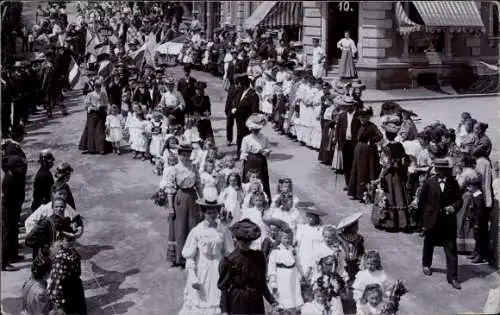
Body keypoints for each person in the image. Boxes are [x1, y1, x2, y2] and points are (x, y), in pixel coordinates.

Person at [179, 187, 234, 315]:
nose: (212, 215)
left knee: (218, 299)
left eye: (215, 212)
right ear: (204, 212)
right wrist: (193, 277)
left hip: (219, 269)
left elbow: (229, 252)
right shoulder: (197, 231)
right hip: (202, 269)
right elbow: (189, 256)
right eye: (209, 212)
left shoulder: (223, 230)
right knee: (202, 299)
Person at [217, 219, 279, 314]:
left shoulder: (258, 257)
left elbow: (261, 283)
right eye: (243, 241)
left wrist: (272, 300)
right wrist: (224, 310)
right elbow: (224, 288)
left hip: (255, 300)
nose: (246, 244)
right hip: (238, 300)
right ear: (237, 240)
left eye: (248, 241)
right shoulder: (230, 260)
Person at [418, 158, 462, 290]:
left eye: (446, 169)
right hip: (432, 220)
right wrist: (422, 221)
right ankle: (426, 264)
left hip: (448, 221)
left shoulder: (453, 183)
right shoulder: (429, 183)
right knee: (429, 243)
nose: (445, 172)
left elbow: (459, 199)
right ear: (436, 170)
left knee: (451, 248)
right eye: (441, 169)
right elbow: (422, 203)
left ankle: (453, 277)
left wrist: (453, 207)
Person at [161, 144, 201, 268]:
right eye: (183, 155)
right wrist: (171, 207)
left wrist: (202, 199)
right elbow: (170, 189)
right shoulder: (174, 169)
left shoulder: (193, 167)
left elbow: (199, 184)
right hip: (180, 197)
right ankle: (180, 257)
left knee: (193, 225)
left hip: (193, 197)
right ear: (179, 155)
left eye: (188, 154)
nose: (186, 157)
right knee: (180, 227)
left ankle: (192, 255)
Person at [47, 224, 87, 315]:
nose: (72, 242)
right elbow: (56, 282)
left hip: (75, 289)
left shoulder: (71, 251)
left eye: (73, 239)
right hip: (68, 294)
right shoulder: (60, 259)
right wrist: (58, 304)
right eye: (68, 240)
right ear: (61, 240)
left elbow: (77, 271)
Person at [348, 106, 383, 201]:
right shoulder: (359, 125)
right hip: (358, 150)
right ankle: (355, 192)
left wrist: (371, 141)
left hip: (367, 152)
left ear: (368, 117)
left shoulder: (371, 126)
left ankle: (364, 194)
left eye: (364, 117)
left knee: (364, 171)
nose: (362, 119)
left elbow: (380, 135)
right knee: (356, 169)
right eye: (361, 117)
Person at [267, 227, 304, 313]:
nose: (288, 240)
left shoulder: (293, 250)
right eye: (285, 238)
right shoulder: (276, 251)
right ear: (280, 238)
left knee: (294, 300)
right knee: (283, 302)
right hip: (281, 277)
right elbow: (272, 267)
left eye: (290, 238)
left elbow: (298, 263)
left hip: (293, 277)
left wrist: (302, 275)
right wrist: (273, 282)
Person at [2, 155, 27, 271]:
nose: (21, 168)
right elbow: (7, 200)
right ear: (12, 168)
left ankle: (13, 255)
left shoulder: (15, 176)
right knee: (7, 235)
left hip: (15, 208)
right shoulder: (9, 180)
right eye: (18, 167)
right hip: (9, 210)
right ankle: (4, 262)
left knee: (14, 232)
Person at [240, 113, 272, 199]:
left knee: (262, 180)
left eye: (257, 129)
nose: (256, 131)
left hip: (261, 161)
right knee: (250, 181)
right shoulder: (246, 139)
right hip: (250, 162)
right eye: (254, 129)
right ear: (251, 129)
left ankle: (263, 199)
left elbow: (268, 148)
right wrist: (244, 159)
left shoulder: (264, 138)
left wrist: (266, 152)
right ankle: (249, 199)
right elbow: (243, 152)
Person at [230, 74, 260, 158]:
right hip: (239, 120)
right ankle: (239, 153)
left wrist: (252, 122)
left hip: (247, 120)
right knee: (240, 137)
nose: (238, 85)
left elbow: (255, 110)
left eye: (239, 83)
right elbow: (235, 102)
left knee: (248, 137)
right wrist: (234, 108)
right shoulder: (240, 92)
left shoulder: (253, 94)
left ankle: (248, 154)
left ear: (244, 84)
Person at [335, 96, 360, 187]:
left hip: (354, 143)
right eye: (346, 106)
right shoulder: (342, 116)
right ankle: (348, 183)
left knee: (355, 164)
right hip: (345, 142)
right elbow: (338, 129)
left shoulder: (358, 116)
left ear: (353, 105)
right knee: (346, 164)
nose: (348, 107)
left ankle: (354, 184)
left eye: (350, 105)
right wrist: (338, 141)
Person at [78, 79, 109, 154]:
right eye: (96, 86)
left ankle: (101, 148)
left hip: (101, 113)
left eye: (99, 86)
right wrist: (92, 107)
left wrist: (102, 105)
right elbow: (86, 105)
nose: (97, 88)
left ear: (100, 87)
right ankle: (90, 148)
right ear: (94, 87)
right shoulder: (90, 94)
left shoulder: (103, 94)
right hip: (92, 114)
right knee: (91, 131)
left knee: (100, 130)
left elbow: (106, 103)